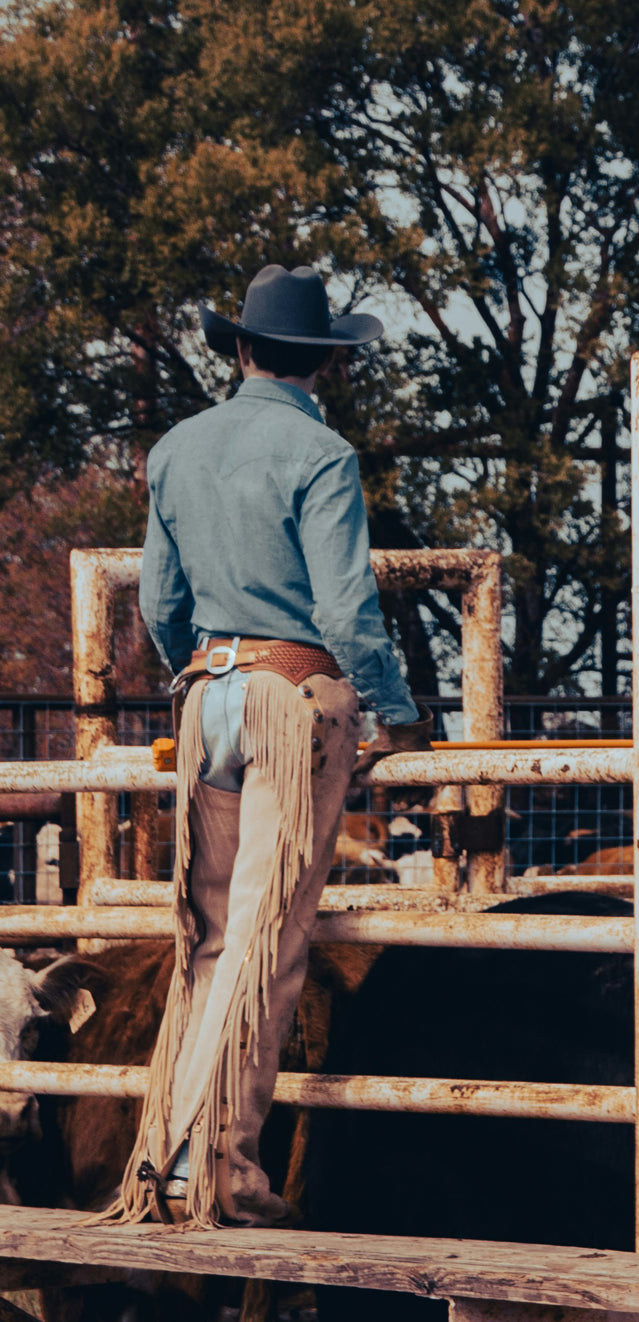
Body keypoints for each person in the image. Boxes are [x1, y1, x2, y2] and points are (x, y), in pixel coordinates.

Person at [115, 264, 430, 1228]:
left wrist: (204, 668)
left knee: (205, 938)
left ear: (242, 350)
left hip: (203, 693)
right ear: (324, 365)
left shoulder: (176, 448)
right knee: (267, 937)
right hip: (293, 698)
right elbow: (343, 605)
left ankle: (159, 1161)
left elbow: (158, 603)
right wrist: (396, 708)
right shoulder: (321, 454)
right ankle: (221, 1167)